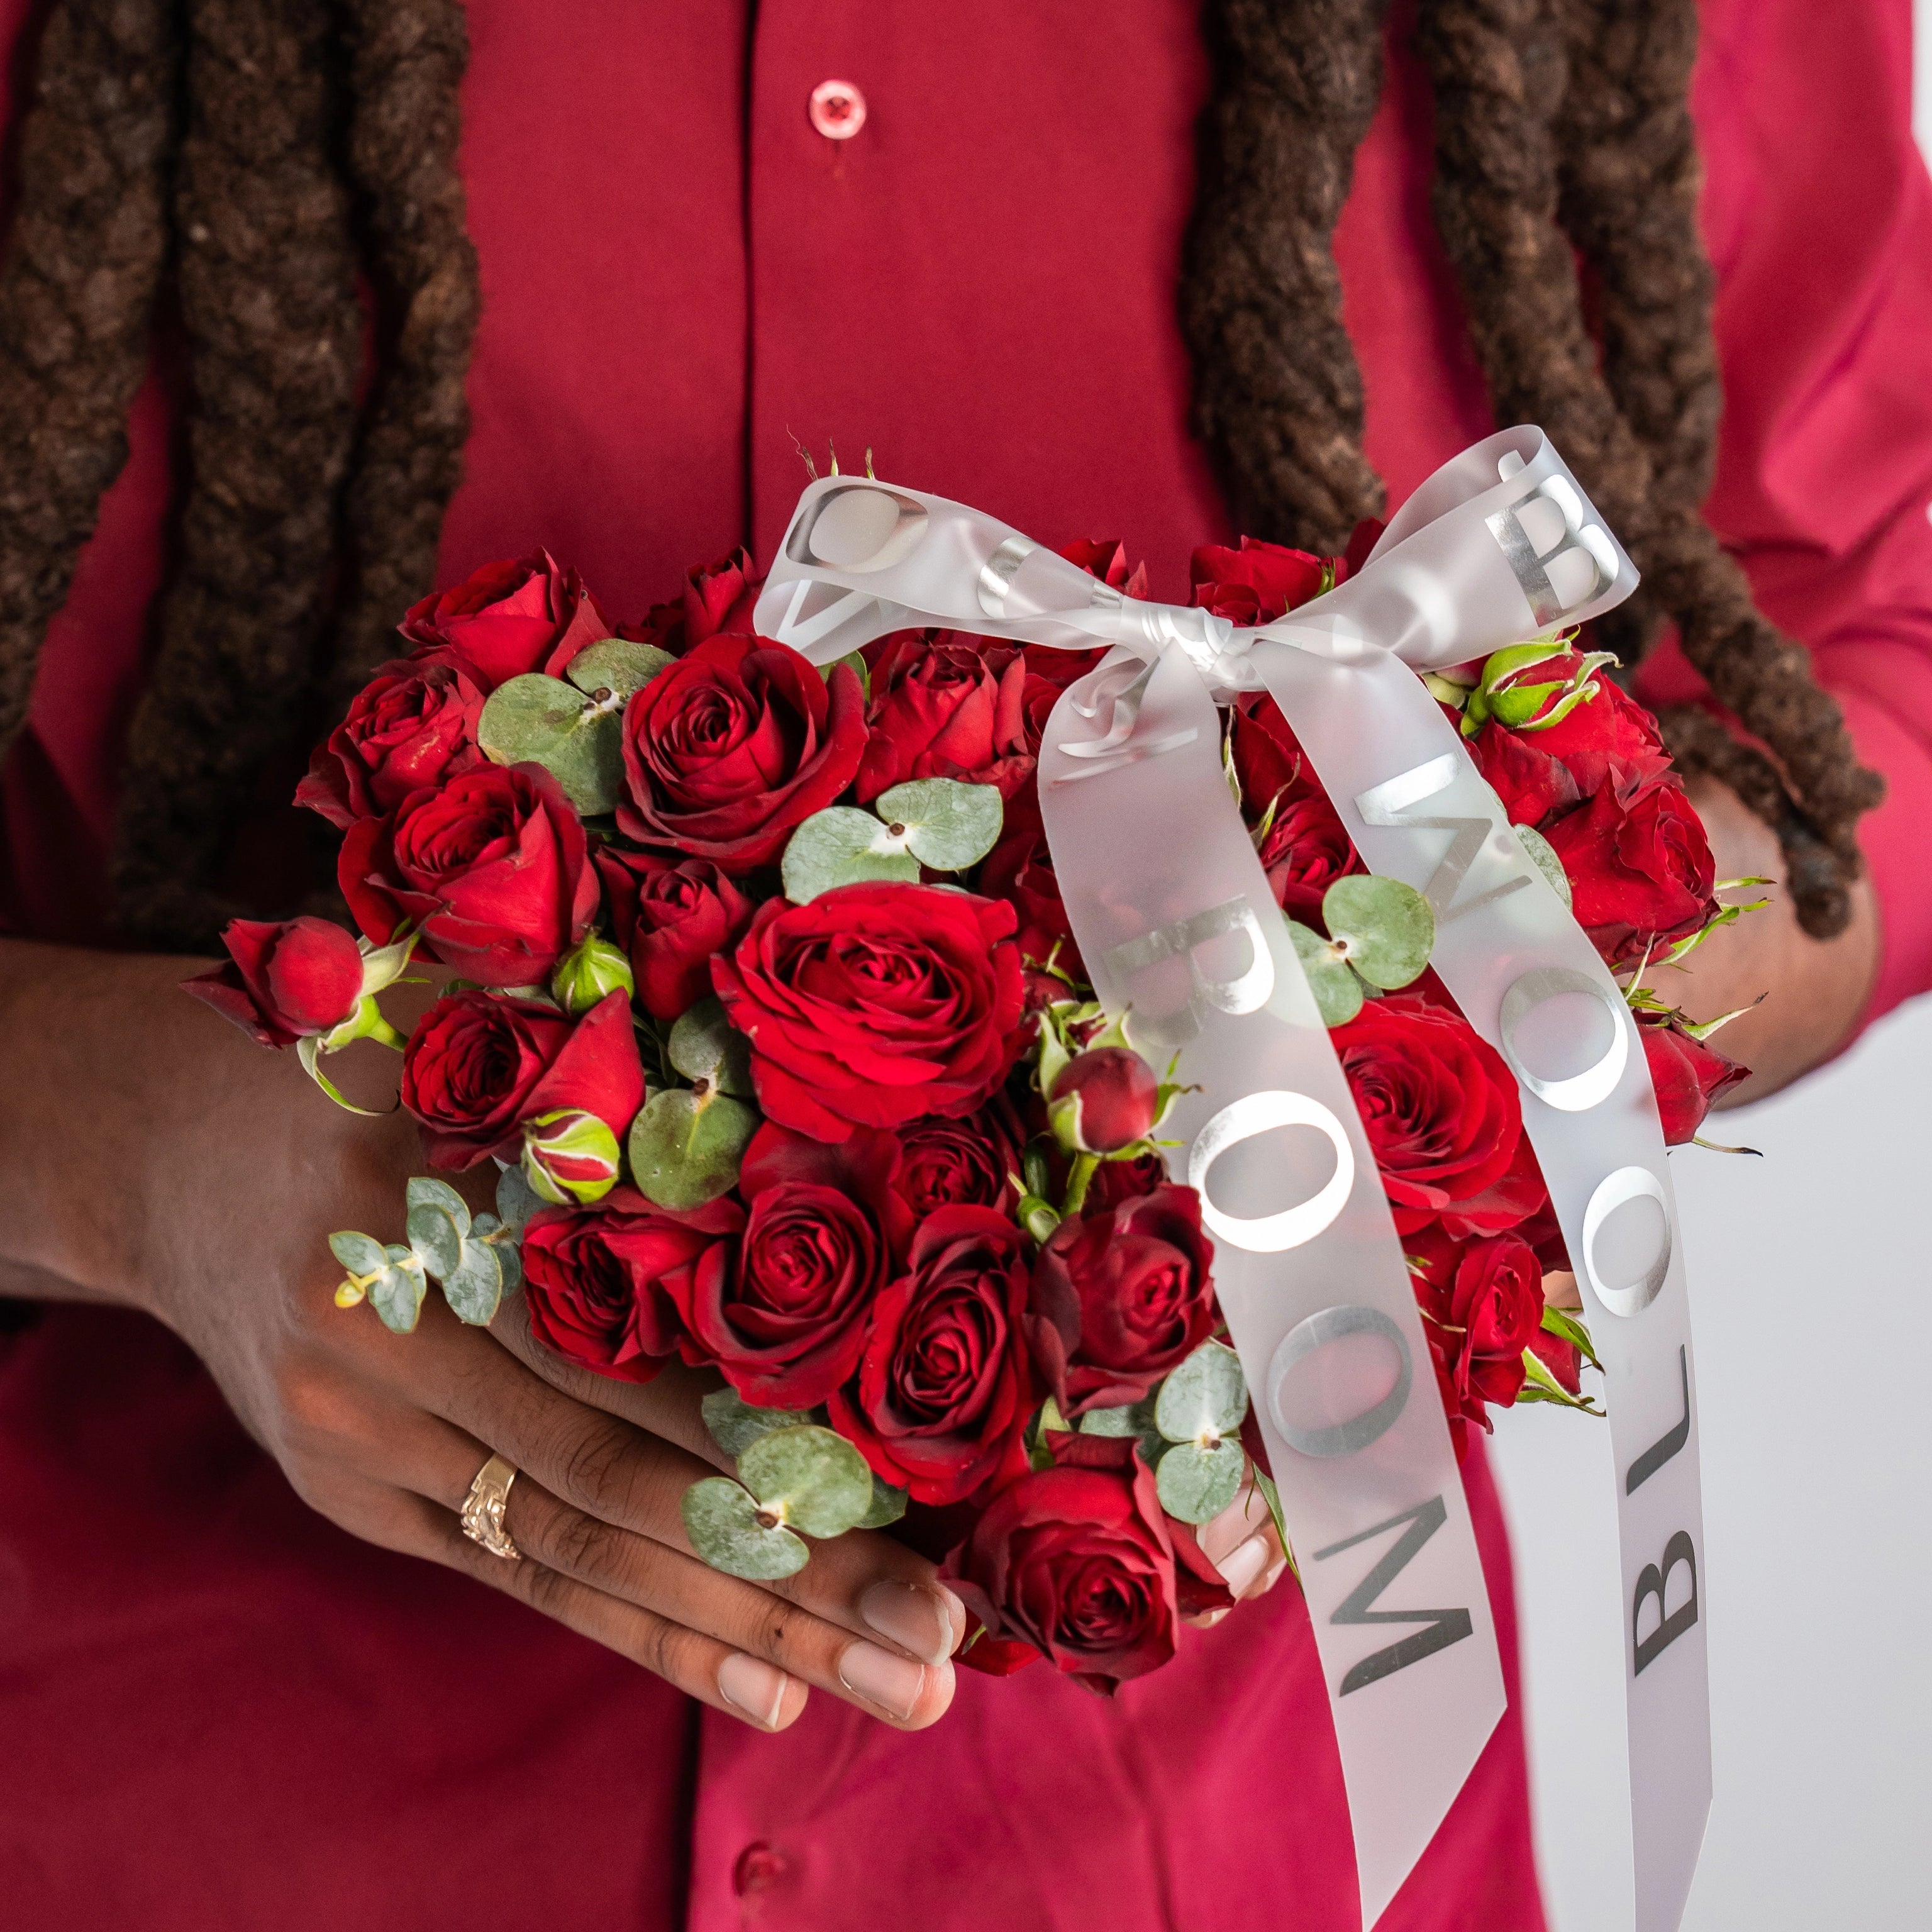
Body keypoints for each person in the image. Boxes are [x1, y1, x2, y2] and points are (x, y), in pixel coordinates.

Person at [1, 1, 1927, 1927]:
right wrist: (131, 1149)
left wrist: (1488, 962)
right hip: (193, 1793)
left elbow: (1886, 654)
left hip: (1219, 1837)